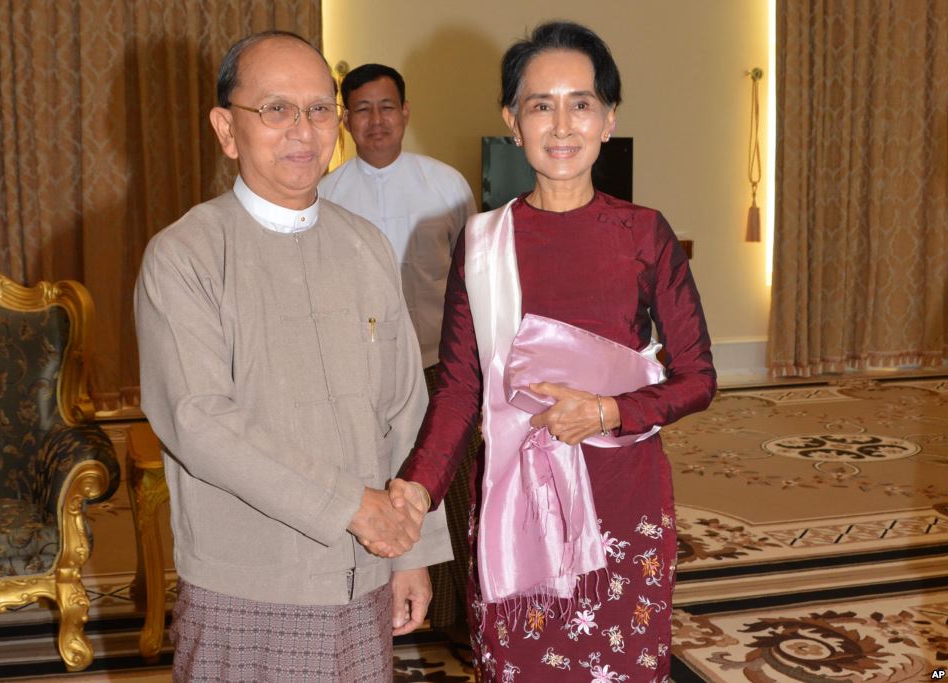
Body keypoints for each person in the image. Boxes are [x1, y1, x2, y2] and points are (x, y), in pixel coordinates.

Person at [394, 21, 716, 682]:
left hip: (623, 499)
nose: (562, 124)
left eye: (582, 103)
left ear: (607, 119)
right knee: (522, 662)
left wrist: (606, 411)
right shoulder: (482, 245)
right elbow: (458, 389)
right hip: (517, 505)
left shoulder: (643, 233)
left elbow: (697, 377)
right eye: (541, 104)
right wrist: (417, 490)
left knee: (621, 665)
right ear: (513, 121)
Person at [134, 31, 452, 682]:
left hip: (363, 574)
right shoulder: (186, 255)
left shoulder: (364, 245)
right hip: (249, 584)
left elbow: (403, 408)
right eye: (275, 109)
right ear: (227, 129)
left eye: (318, 108)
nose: (302, 129)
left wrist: (413, 549)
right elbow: (201, 422)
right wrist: (352, 506)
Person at [318, 63, 477, 636]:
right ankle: (373, 611)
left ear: (406, 113)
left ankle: (460, 621)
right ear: (345, 121)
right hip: (361, 369)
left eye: (387, 107)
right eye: (362, 109)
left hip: (440, 363)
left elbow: (472, 279)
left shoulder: (446, 184)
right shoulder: (327, 192)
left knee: (450, 487)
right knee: (374, 485)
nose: (376, 120)